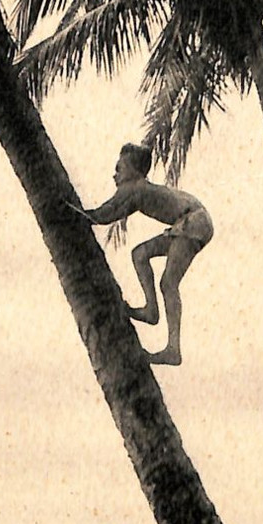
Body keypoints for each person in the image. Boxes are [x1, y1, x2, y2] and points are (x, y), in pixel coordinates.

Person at [71, 143, 213, 366]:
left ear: (133, 170)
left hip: (192, 222)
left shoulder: (135, 188)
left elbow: (106, 213)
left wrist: (76, 214)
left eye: (119, 168)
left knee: (168, 283)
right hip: (189, 221)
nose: (114, 174)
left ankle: (173, 349)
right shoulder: (140, 187)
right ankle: (150, 310)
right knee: (140, 254)